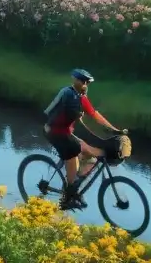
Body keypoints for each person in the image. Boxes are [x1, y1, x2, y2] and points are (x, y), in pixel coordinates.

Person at [43, 68, 121, 209]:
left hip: (66, 132)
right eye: (84, 81)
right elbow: (73, 118)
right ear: (76, 81)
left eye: (87, 83)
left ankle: (74, 185)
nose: (86, 85)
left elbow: (95, 115)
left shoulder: (81, 98)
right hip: (55, 131)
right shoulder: (69, 95)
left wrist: (114, 130)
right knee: (74, 151)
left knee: (90, 157)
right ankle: (69, 194)